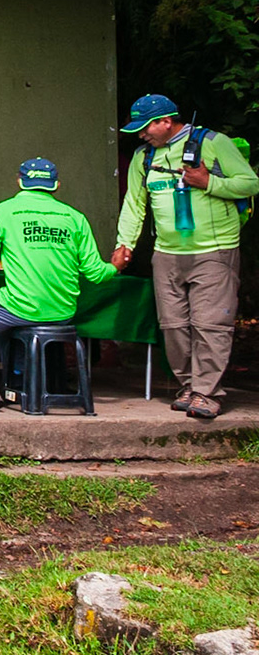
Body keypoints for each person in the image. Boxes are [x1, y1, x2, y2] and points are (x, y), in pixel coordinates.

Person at [111, 94, 258, 421]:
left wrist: (208, 182)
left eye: (146, 128)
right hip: (167, 253)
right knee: (173, 326)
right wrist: (125, 244)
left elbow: (250, 182)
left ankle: (207, 393)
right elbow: (135, 205)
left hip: (213, 251)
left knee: (210, 324)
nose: (141, 135)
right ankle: (189, 387)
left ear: (166, 121)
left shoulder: (213, 143)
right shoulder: (143, 156)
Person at [0, 158, 117, 409]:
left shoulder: (2, 212)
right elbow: (96, 273)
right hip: (62, 312)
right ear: (56, 185)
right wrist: (116, 266)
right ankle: (20, 380)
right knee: (9, 321)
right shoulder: (75, 218)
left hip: (18, 308)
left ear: (20, 181)